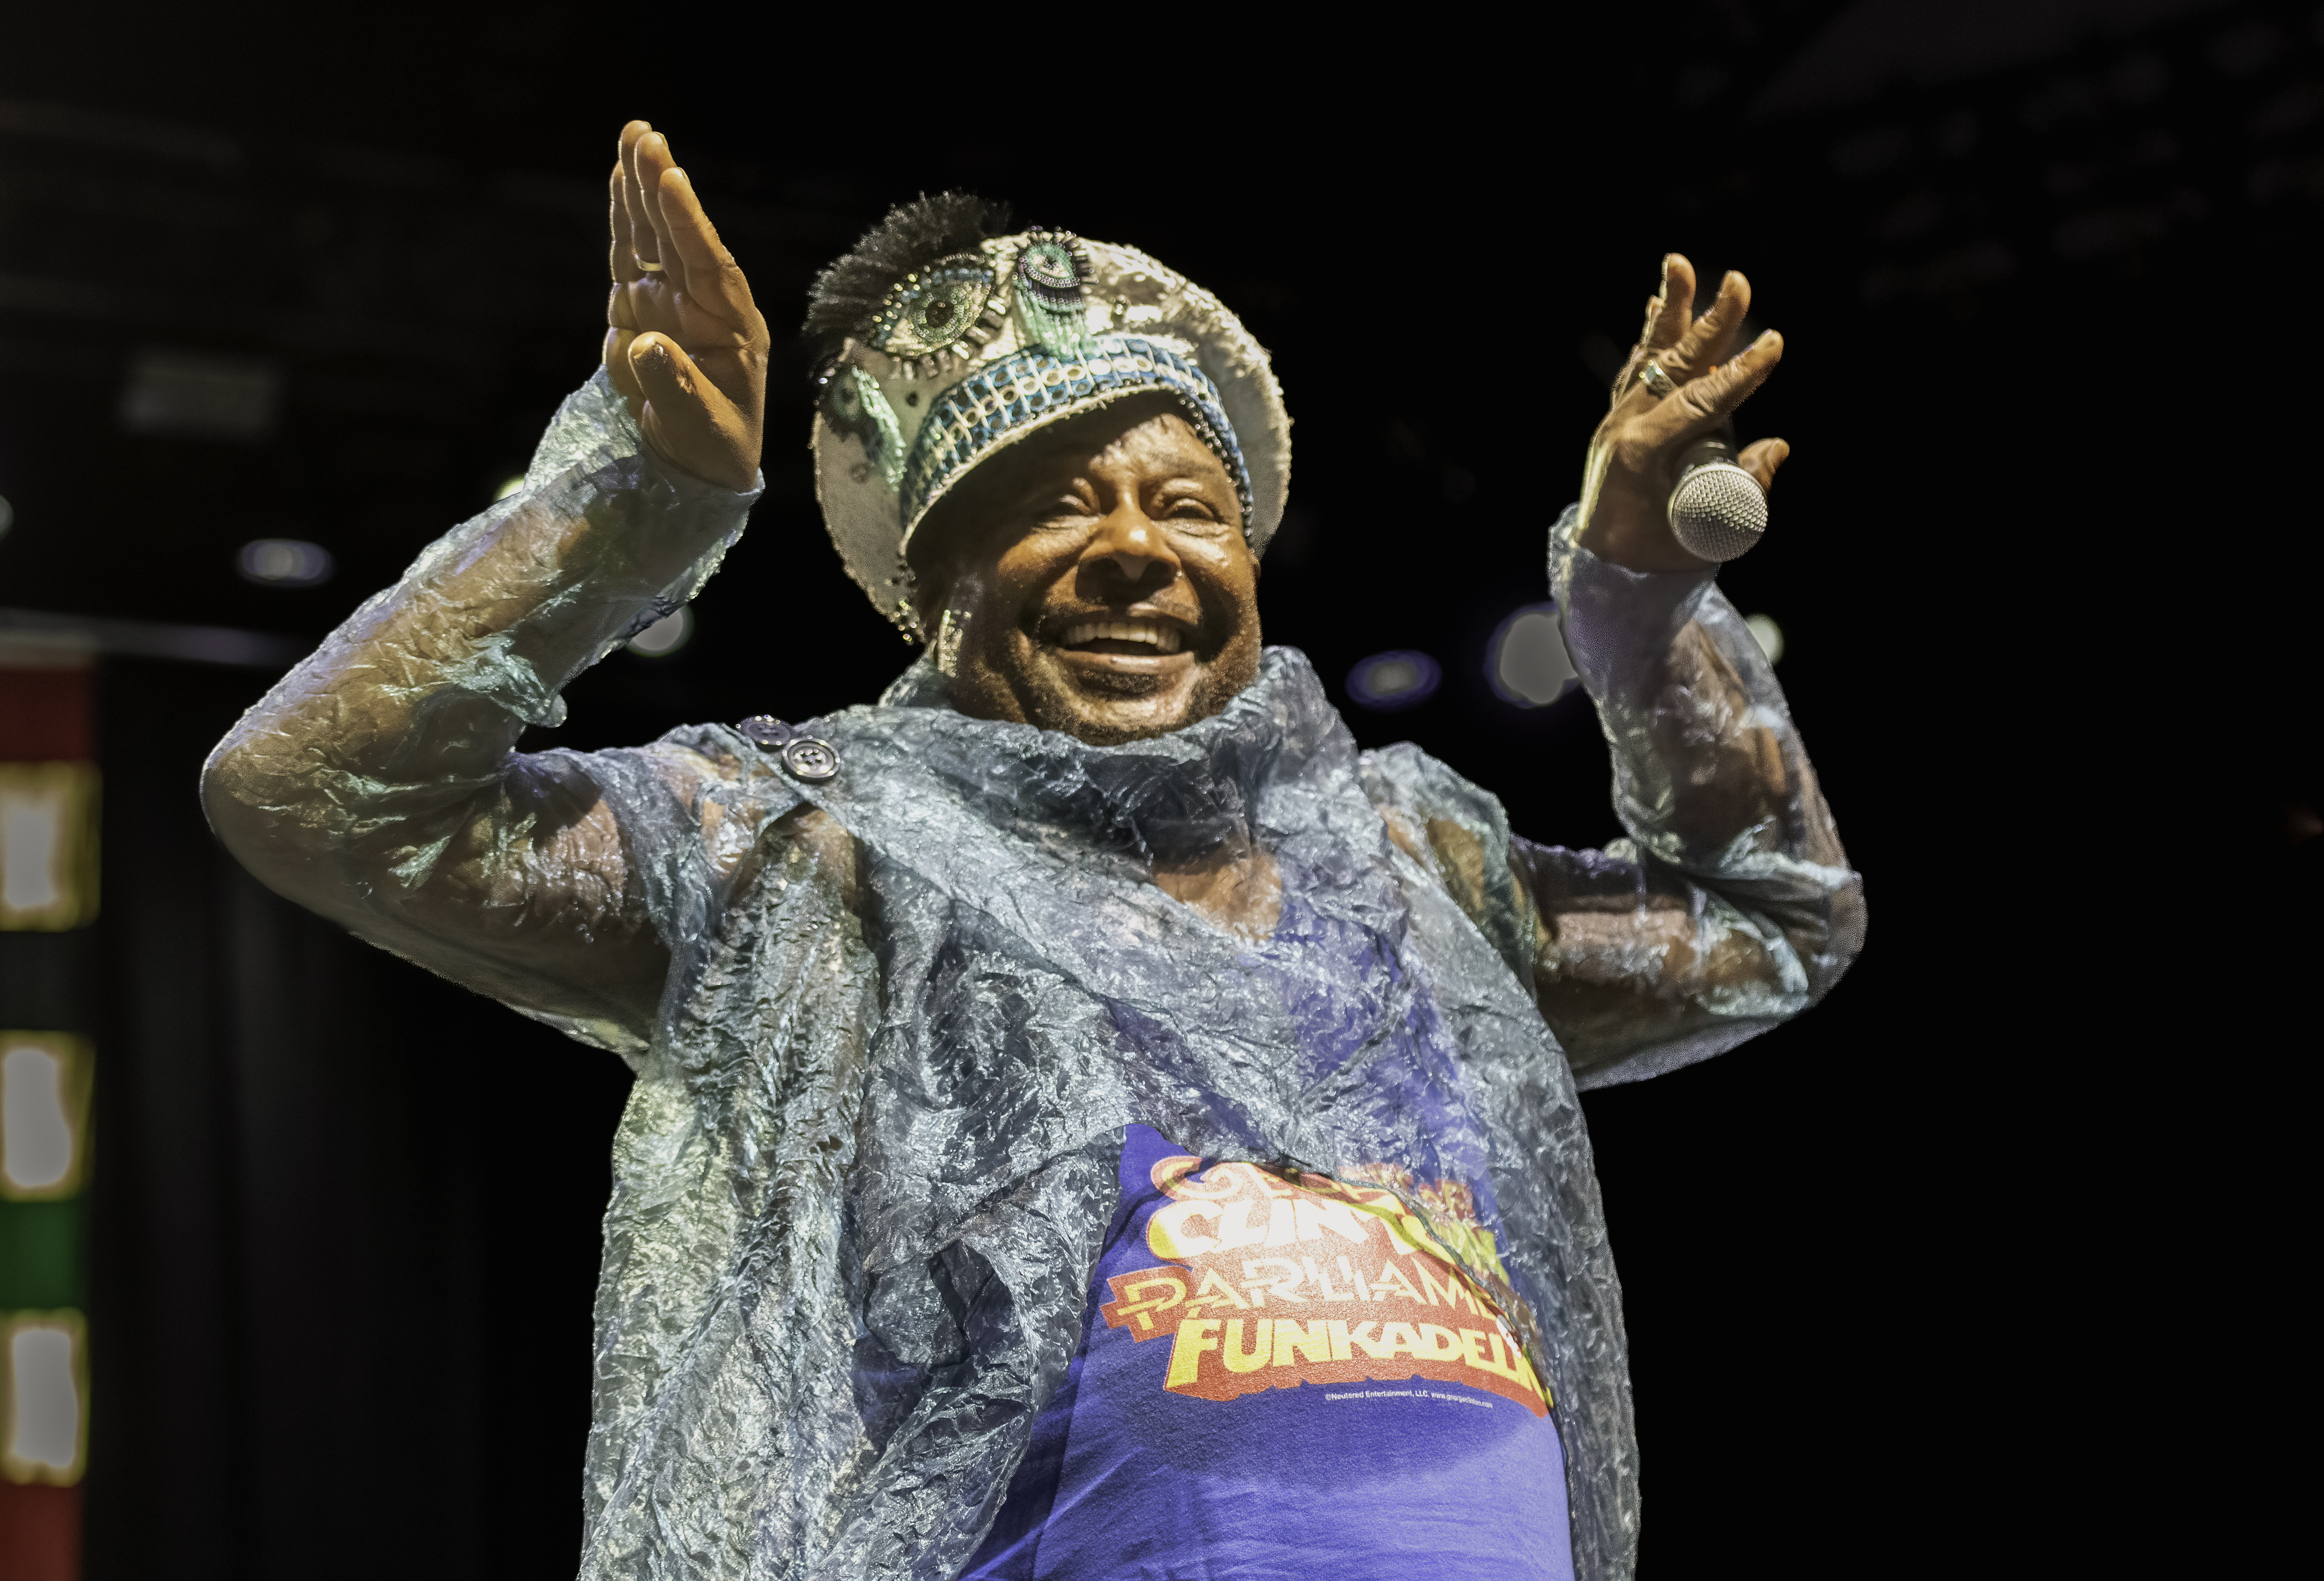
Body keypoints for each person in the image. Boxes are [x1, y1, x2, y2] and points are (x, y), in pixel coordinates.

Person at [203, 120, 1863, 1581]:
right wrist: (636, 507)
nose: (1136, 551)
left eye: (1187, 507)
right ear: (937, 585)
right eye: (1053, 501)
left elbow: (1777, 922)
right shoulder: (817, 854)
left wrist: (1642, 612)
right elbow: (324, 790)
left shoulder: (1410, 864)